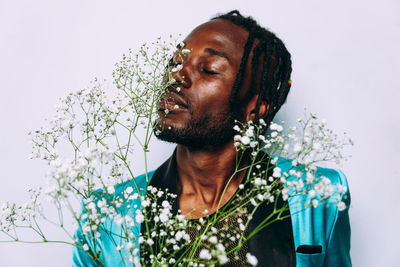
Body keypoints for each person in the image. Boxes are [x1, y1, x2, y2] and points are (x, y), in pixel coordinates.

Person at [73, 10, 351, 267]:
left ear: (255, 107)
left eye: (209, 69)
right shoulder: (107, 215)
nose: (177, 75)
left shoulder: (317, 195)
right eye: (175, 62)